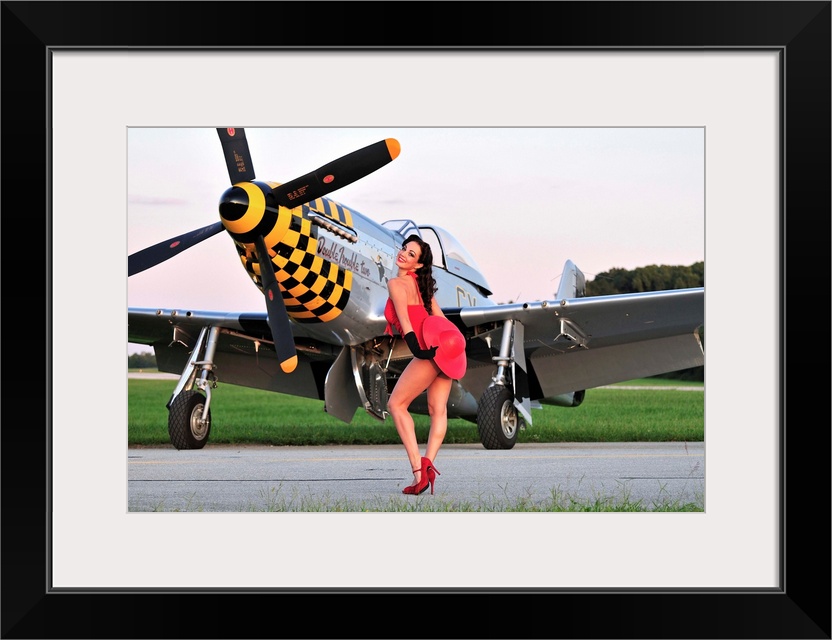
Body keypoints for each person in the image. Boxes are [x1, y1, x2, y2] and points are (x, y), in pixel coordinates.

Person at [384, 234, 466, 495]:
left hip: (428, 351)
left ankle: (419, 472)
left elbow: (405, 321)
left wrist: (420, 350)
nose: (403, 254)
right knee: (437, 410)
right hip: (445, 349)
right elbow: (442, 320)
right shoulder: (423, 288)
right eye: (404, 249)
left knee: (396, 404)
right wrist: (457, 347)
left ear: (417, 265)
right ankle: (429, 464)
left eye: (411, 254)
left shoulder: (396, 283)